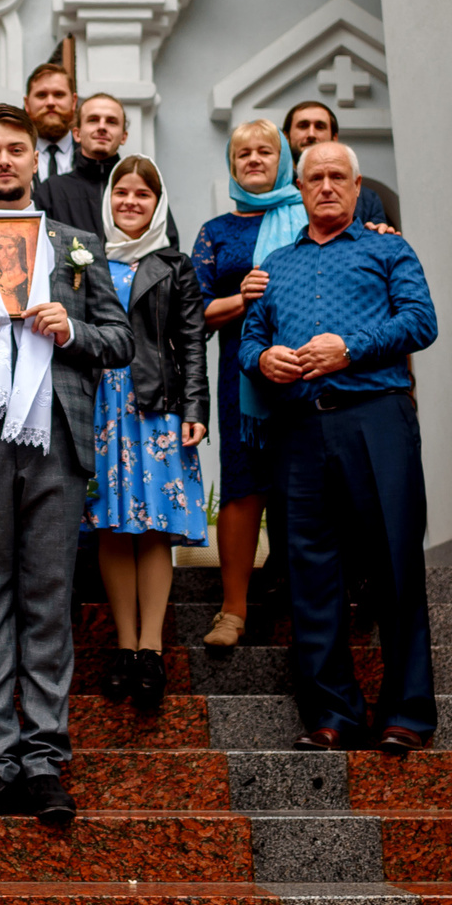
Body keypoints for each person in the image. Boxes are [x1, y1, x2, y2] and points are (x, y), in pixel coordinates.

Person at [0, 103, 132, 826]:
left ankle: (44, 757)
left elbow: (118, 340)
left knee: (49, 598)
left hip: (57, 436)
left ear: (34, 162)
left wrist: (70, 327)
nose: (6, 161)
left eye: (17, 150)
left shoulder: (77, 244)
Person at [242, 140, 438, 754]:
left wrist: (349, 348)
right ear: (298, 191)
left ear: (356, 188)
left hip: (375, 417)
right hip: (299, 430)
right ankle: (334, 714)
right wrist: (262, 358)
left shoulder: (389, 248)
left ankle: (407, 712)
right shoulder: (274, 265)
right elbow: (250, 337)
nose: (326, 186)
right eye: (314, 178)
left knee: (394, 565)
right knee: (309, 572)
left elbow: (421, 321)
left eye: (338, 177)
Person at [88, 155, 208, 709]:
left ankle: (152, 650)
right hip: (100, 406)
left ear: (157, 204)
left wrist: (194, 409)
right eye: (122, 193)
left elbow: (192, 343)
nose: (130, 202)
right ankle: (123, 646)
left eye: (143, 195)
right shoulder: (82, 260)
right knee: (112, 524)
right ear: (109, 199)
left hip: (156, 405)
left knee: (154, 527)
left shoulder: (177, 265)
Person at [192, 120, 306, 650]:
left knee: (309, 482)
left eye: (265, 151)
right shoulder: (217, 231)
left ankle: (310, 600)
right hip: (242, 374)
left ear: (283, 159)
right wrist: (242, 298)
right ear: (232, 165)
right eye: (243, 154)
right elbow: (190, 314)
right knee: (242, 486)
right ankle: (232, 611)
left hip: (309, 371)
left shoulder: (312, 220)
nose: (254, 160)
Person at [39, 93, 179, 247]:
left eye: (111, 122)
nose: (102, 127)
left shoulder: (144, 188)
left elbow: (168, 250)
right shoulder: (52, 190)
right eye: (93, 120)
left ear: (124, 137)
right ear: (77, 133)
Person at [281, 99, 391, 228]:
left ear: (334, 138)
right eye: (303, 126)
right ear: (286, 137)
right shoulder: (273, 195)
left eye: (320, 127)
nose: (311, 134)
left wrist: (380, 237)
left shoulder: (366, 199)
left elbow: (377, 242)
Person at [24, 62, 79, 182]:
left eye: (59, 95)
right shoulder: (13, 155)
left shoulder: (91, 154)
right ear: (27, 104)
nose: (50, 102)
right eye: (41, 95)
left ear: (74, 102)